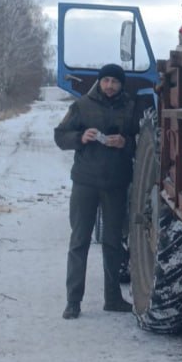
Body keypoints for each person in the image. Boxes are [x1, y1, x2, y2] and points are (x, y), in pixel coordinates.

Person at [53, 64, 139, 318]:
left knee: (113, 244)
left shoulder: (130, 107)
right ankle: (73, 302)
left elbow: (142, 142)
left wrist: (126, 143)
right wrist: (80, 137)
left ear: (121, 85)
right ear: (99, 82)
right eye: (106, 80)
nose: (110, 85)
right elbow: (60, 136)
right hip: (85, 183)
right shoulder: (82, 106)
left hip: (116, 184)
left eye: (115, 81)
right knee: (79, 241)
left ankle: (113, 298)